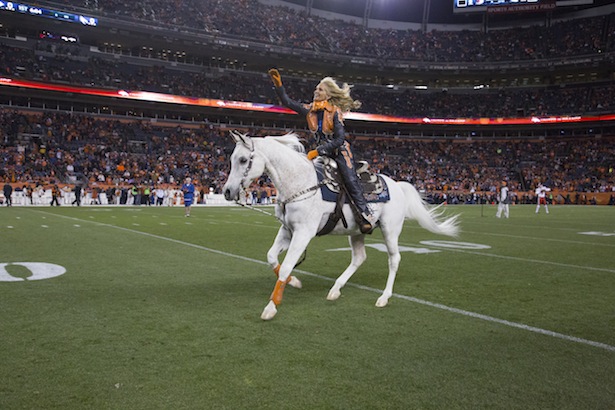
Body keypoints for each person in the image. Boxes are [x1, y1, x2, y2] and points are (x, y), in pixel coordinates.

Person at [268, 68, 375, 233]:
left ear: (328, 95)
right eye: (316, 88)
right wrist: (278, 85)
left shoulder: (335, 113)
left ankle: (365, 214)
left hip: (340, 152)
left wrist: (318, 151)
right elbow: (288, 102)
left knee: (349, 179)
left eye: (320, 89)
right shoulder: (310, 110)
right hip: (321, 152)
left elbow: (340, 140)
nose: (316, 91)